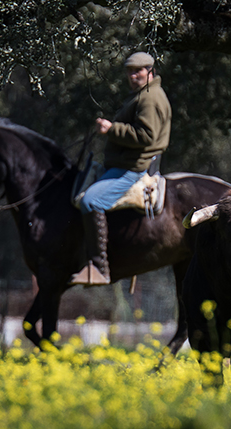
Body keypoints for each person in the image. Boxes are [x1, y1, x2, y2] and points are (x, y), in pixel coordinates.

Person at [71, 51, 172, 285]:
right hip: (125, 164)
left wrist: (111, 129)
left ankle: (99, 267)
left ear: (150, 72)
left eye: (138, 71)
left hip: (134, 169)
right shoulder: (141, 95)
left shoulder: (150, 98)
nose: (133, 75)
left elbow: (146, 136)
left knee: (90, 201)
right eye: (129, 71)